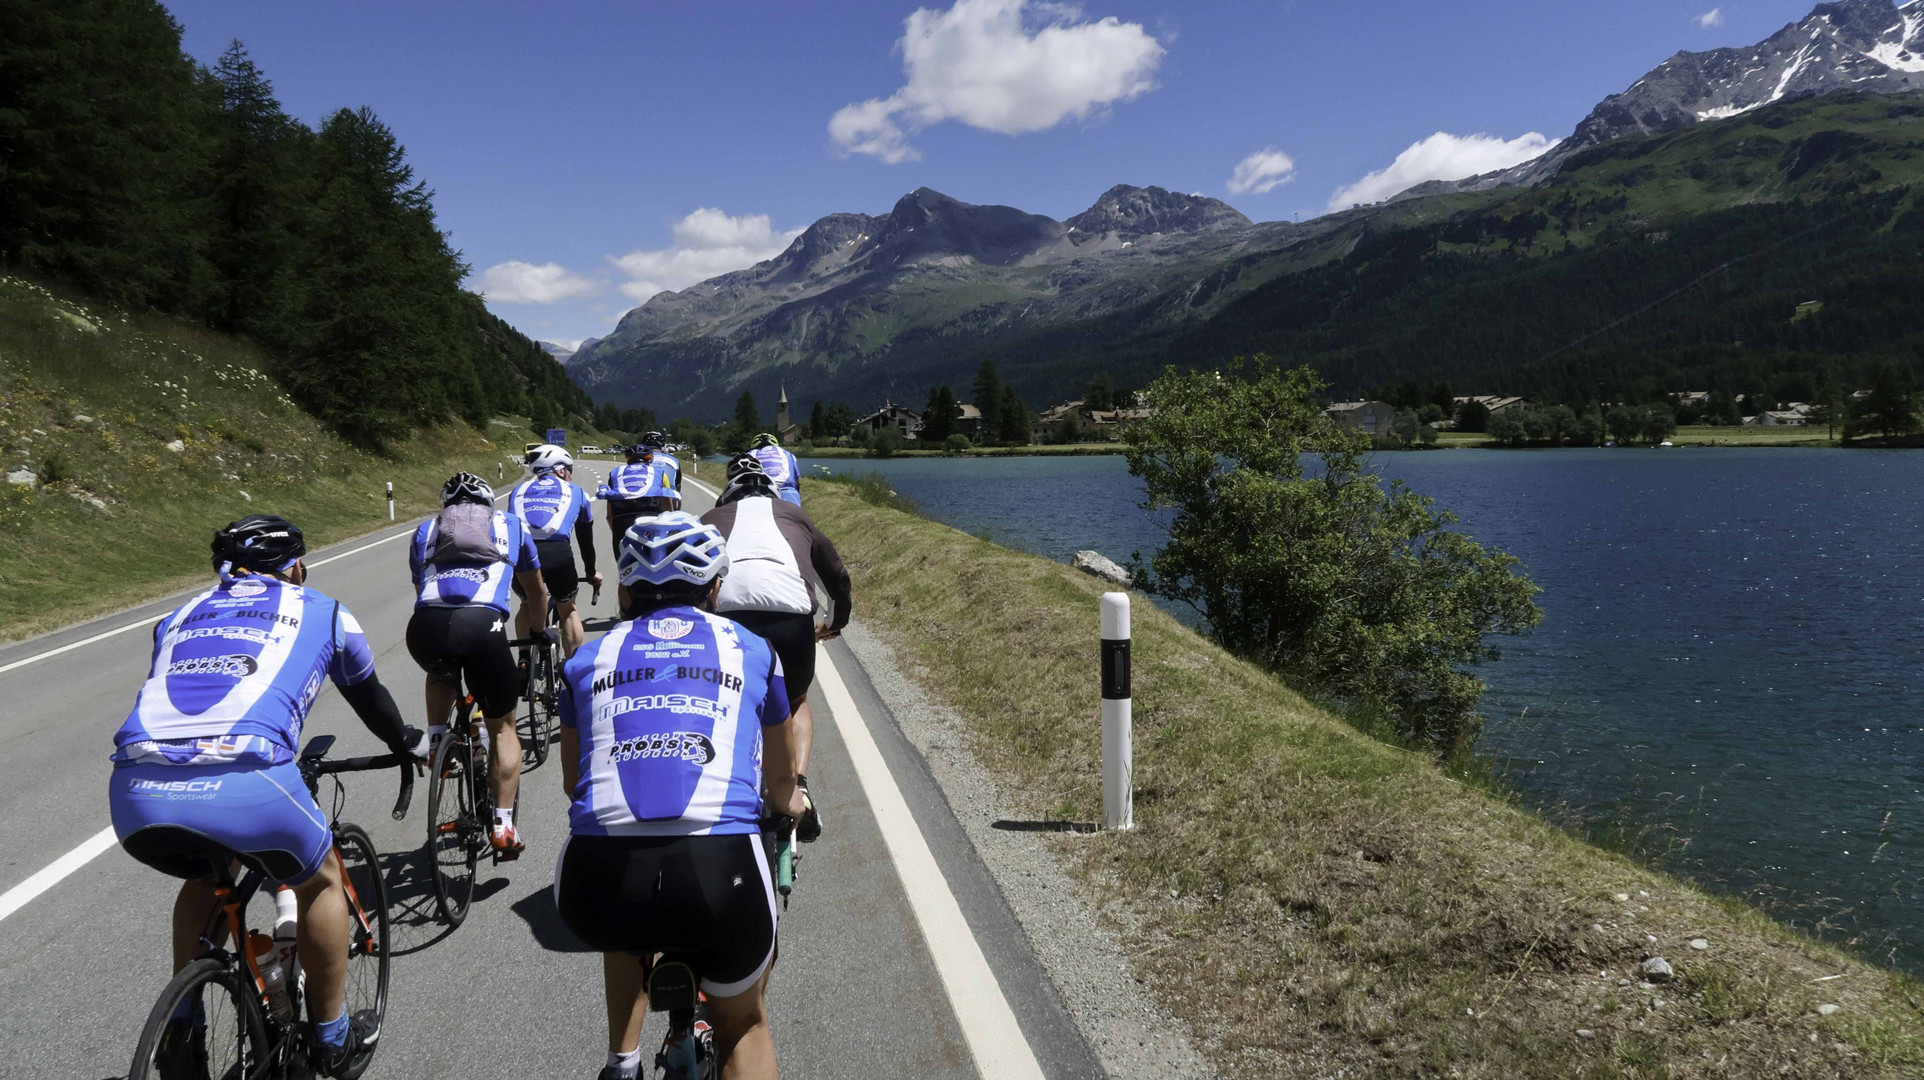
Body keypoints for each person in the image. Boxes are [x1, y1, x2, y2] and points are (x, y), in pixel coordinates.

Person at [109, 515, 426, 1079]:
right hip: (250, 777)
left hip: (134, 794)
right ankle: (330, 1039)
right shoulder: (325, 610)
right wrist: (402, 745)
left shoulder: (176, 616)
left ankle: (183, 1036)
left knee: (207, 881)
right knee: (321, 879)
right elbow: (369, 696)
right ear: (297, 566)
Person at [555, 513, 804, 1080]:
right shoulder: (755, 650)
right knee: (743, 1023)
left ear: (623, 591)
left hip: (597, 884)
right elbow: (783, 781)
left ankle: (622, 1062)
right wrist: (791, 807)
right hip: (718, 875)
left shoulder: (585, 659)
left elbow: (574, 785)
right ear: (716, 589)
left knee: (625, 932)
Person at [700, 455, 850, 843]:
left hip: (729, 615)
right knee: (796, 700)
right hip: (790, 617)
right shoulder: (794, 514)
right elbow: (838, 576)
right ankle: (798, 786)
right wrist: (836, 622)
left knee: (722, 700)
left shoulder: (710, 519)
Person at [406, 472, 548, 857]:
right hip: (482, 628)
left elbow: (421, 589)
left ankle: (437, 739)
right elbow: (535, 590)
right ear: (488, 504)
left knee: (441, 669)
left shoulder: (425, 529)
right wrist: (538, 631)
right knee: (503, 729)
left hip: (425, 627)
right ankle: (503, 825)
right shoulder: (511, 525)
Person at [508, 444, 601, 658]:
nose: (570, 476)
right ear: (560, 470)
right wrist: (591, 572)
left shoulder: (517, 491)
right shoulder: (577, 492)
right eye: (569, 470)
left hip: (521, 555)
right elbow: (586, 540)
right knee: (568, 609)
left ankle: (523, 659)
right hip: (557, 554)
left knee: (526, 603)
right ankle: (572, 669)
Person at [596, 434, 682, 610]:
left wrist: (618, 532)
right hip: (651, 520)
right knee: (659, 564)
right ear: (649, 460)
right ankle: (662, 605)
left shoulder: (615, 474)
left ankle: (626, 613)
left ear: (628, 460)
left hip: (622, 522)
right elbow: (667, 503)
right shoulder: (659, 473)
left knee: (624, 571)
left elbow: (609, 514)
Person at [747, 433, 802, 507]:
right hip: (787, 491)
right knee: (795, 517)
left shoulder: (749, 454)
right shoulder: (788, 454)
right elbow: (797, 480)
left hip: (760, 492)